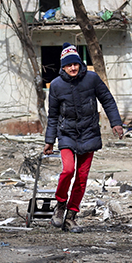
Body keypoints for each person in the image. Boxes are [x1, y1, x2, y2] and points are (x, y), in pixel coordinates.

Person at [44, 43, 124, 232]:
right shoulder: (55, 86)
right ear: (63, 67)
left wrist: (116, 123)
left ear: (80, 64)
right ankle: (60, 205)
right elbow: (53, 115)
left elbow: (107, 100)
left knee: (81, 177)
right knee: (68, 170)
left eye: (76, 64)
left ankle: (71, 216)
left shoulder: (92, 79)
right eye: (68, 65)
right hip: (67, 134)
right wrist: (49, 141)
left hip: (89, 133)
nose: (73, 68)